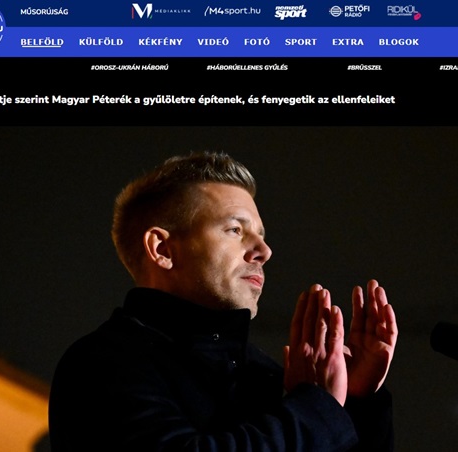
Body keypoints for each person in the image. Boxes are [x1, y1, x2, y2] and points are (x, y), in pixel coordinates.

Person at [48, 151, 398, 451]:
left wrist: (355, 403)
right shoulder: (102, 363)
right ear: (162, 249)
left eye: (260, 235)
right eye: (235, 230)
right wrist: (317, 408)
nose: (264, 251)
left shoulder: (267, 376)